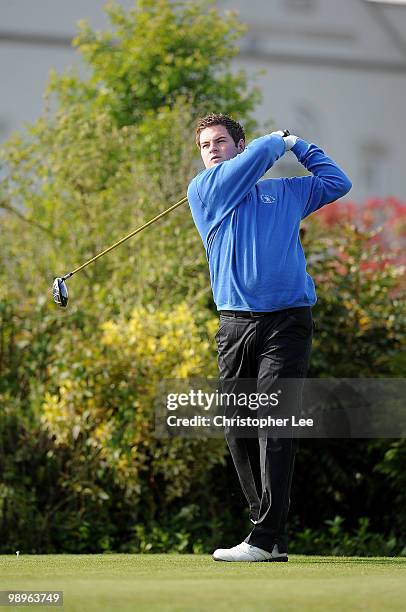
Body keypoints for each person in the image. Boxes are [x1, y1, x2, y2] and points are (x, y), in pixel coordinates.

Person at [187, 114, 352, 562]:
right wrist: (274, 140)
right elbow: (254, 159)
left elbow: (338, 182)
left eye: (221, 142)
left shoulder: (285, 192)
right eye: (205, 146)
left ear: (239, 146)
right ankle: (271, 532)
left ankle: (263, 538)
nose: (213, 150)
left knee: (274, 423)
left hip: (287, 323)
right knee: (237, 426)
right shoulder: (205, 192)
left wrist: (298, 143)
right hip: (235, 326)